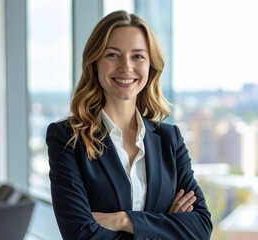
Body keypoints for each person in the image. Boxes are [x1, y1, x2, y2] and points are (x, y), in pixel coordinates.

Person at [46, 10, 213, 240]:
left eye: (138, 56)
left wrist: (122, 220)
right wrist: (168, 225)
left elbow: (201, 227)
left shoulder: (169, 138)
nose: (126, 67)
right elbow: (80, 235)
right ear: (95, 63)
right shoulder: (67, 138)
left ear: (150, 65)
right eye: (113, 55)